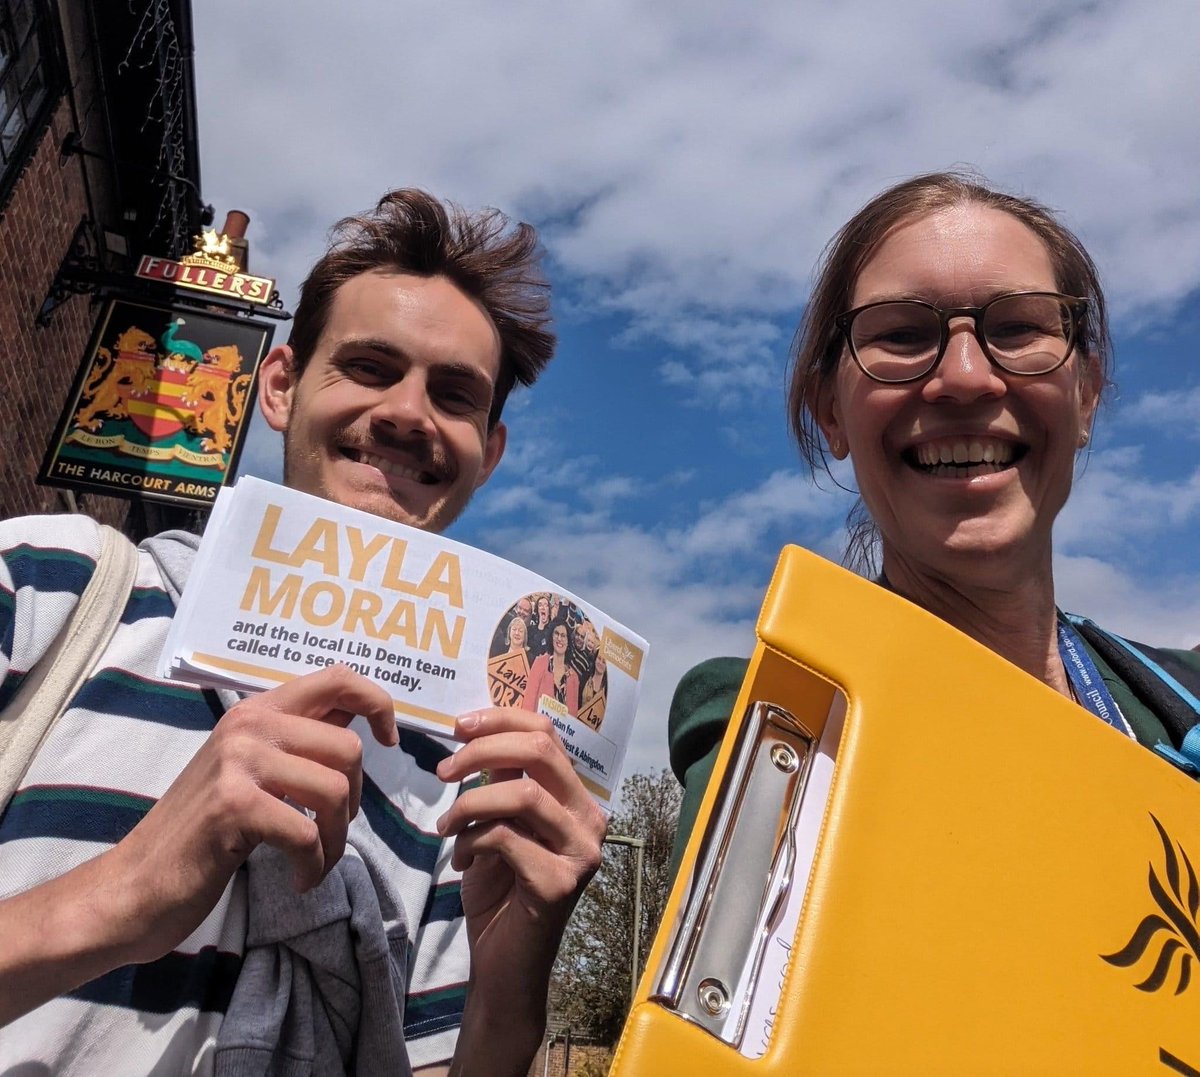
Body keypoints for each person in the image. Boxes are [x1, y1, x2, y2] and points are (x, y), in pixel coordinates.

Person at [0, 189, 607, 1075]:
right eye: (368, 366)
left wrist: (513, 984)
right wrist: (127, 890)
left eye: (454, 394)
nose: (407, 411)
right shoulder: (52, 587)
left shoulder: (460, 790)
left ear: (490, 449)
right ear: (280, 386)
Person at [670, 171, 1200, 850]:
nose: (966, 377)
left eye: (1016, 326)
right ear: (828, 411)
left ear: (1086, 395)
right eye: (901, 335)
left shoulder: (1179, 700)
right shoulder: (781, 726)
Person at [522, 623, 581, 717]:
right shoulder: (540, 663)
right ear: (551, 637)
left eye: (563, 636)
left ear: (568, 641)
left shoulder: (573, 677)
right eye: (556, 634)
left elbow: (572, 717)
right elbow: (528, 703)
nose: (559, 639)